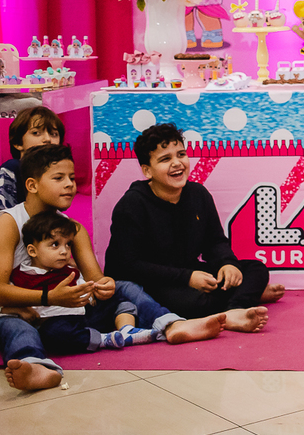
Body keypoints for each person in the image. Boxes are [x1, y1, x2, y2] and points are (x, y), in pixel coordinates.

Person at [0, 144, 225, 392]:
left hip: (59, 307)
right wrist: (49, 297)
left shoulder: (73, 228)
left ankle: (170, 324)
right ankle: (35, 366)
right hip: (3, 308)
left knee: (126, 287)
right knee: (18, 329)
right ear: (32, 185)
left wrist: (103, 288)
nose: (70, 185)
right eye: (59, 178)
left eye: (72, 178)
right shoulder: (9, 222)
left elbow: (96, 280)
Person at [105, 124, 283, 333]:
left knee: (256, 269)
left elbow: (215, 242)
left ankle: (235, 309)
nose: (177, 163)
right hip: (150, 281)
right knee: (194, 303)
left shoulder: (198, 194)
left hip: (189, 272)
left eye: (181, 154)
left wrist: (227, 264)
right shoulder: (132, 204)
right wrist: (188, 278)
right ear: (147, 170)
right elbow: (128, 266)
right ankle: (245, 299)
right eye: (165, 159)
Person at [2, 210, 158, 351]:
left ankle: (127, 330)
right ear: (32, 251)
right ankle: (103, 339)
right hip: (57, 321)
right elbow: (8, 300)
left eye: (68, 245)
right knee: (52, 333)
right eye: (55, 245)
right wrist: (20, 309)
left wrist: (92, 292)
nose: (64, 251)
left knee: (119, 299)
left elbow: (82, 285)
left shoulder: (69, 270)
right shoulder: (22, 275)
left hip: (84, 315)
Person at [0, 106, 65, 222]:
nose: (47, 139)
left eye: (54, 134)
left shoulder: (54, 171)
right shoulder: (12, 168)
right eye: (36, 133)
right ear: (18, 143)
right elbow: (1, 217)